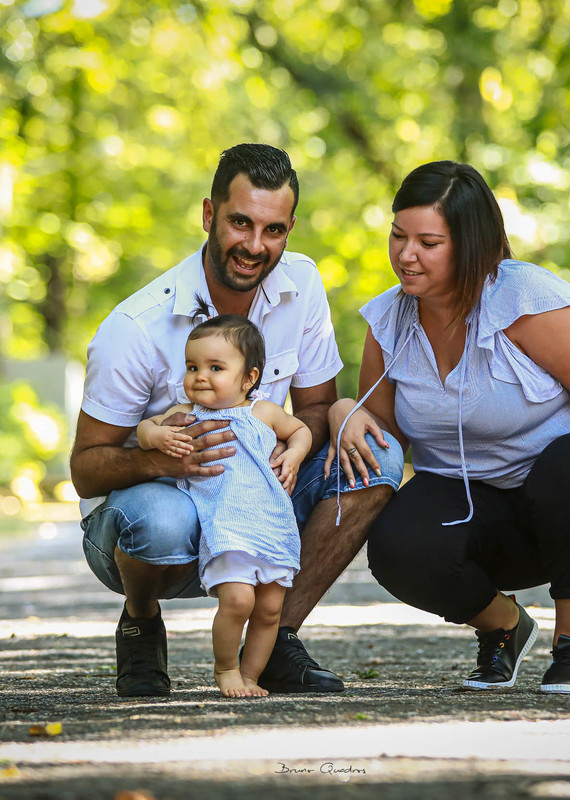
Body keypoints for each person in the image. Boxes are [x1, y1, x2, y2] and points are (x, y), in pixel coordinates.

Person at [327, 160, 570, 695]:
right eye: (398, 236)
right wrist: (341, 411)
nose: (405, 254)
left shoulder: (529, 301)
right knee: (396, 543)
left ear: (472, 246)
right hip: (474, 513)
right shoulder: (389, 322)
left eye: (428, 242)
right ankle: (504, 627)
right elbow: (385, 432)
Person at [71, 143, 403, 697]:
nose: (254, 246)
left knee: (377, 459)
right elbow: (85, 470)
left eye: (273, 230)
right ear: (209, 215)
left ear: (290, 228)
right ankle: (141, 618)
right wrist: (164, 458)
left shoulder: (301, 282)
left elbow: (315, 407)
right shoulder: (136, 327)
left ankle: (274, 642)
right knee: (160, 522)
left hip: (258, 500)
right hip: (157, 513)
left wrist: (295, 447)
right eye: (240, 223)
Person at [137, 313, 311, 697]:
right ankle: (226, 668)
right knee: (238, 600)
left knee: (269, 610)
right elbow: (145, 427)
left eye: (215, 368)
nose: (200, 376)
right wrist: (157, 438)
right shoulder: (186, 415)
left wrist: (295, 454)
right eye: (192, 367)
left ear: (249, 378)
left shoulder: (263, 412)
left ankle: (251, 676)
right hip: (225, 525)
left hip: (272, 526)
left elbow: (300, 430)